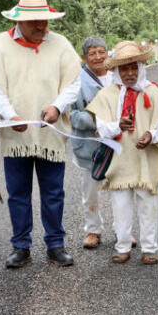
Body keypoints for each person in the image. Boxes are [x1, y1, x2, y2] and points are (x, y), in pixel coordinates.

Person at [0, 0, 81, 268]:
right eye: (34, 20)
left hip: (50, 131)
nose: (41, 25)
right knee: (19, 193)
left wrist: (57, 107)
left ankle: (55, 244)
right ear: (19, 20)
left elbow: (73, 83)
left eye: (44, 19)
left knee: (53, 192)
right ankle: (20, 246)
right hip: (16, 134)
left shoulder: (61, 45)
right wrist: (12, 116)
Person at [87, 41, 158, 264]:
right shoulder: (107, 95)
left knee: (148, 205)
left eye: (134, 67)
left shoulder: (152, 91)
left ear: (141, 68)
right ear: (116, 71)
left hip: (145, 159)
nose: (130, 73)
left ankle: (150, 249)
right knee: (120, 206)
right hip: (119, 161)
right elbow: (101, 128)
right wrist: (117, 126)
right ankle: (122, 246)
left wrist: (151, 136)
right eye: (124, 68)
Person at [70, 36, 113, 249]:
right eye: (92, 53)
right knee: (90, 191)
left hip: (117, 143)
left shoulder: (117, 76)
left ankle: (123, 231)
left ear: (107, 53)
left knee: (120, 189)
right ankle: (93, 231)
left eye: (101, 52)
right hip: (89, 145)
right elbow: (72, 113)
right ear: (84, 57)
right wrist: (96, 120)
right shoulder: (76, 81)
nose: (98, 57)